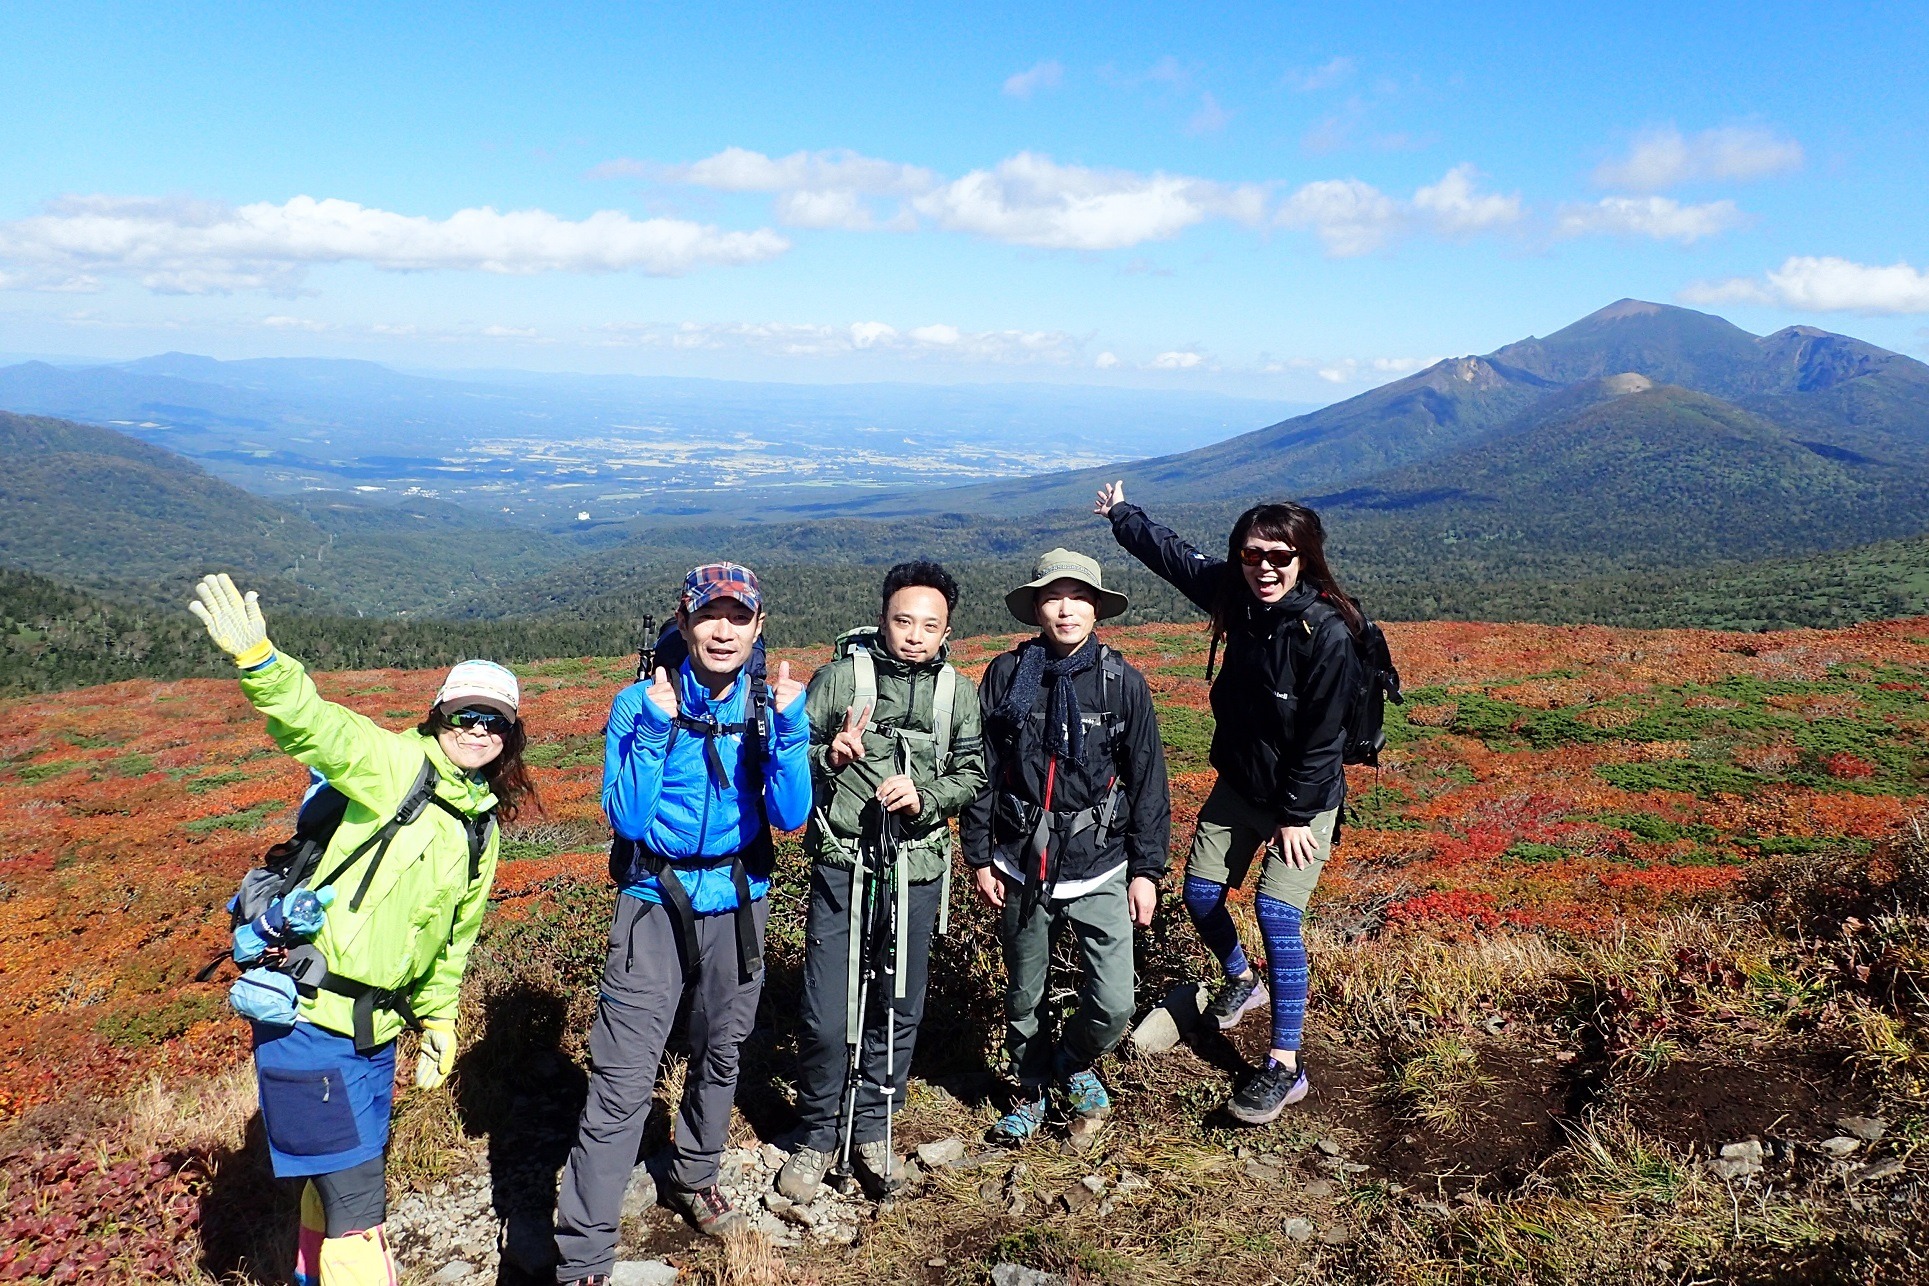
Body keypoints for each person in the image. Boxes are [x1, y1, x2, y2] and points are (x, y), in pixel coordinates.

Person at [187, 573, 527, 1286]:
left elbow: (454, 937)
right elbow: (312, 723)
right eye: (466, 713)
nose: (478, 730)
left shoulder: (479, 822)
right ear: (438, 713)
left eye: (494, 720)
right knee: (358, 1211)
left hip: (376, 1032)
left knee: (331, 1195)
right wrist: (260, 662)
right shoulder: (392, 763)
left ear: (510, 734)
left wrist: (438, 1020)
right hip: (310, 1019)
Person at [554, 562, 809, 1280]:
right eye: (708, 615)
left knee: (722, 1049)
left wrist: (790, 730)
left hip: (737, 895)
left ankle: (694, 1175)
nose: (722, 628)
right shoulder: (636, 702)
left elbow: (789, 817)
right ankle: (583, 1262)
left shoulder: (772, 704)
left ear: (759, 626)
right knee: (622, 1080)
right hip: (650, 899)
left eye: (738, 615)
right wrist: (658, 732)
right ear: (684, 621)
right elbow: (628, 818)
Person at [1098, 480, 1361, 1124]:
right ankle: (1241, 979)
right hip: (1241, 784)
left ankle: (1284, 1067)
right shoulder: (1234, 596)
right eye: (1252, 554)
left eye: (1279, 556)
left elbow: (1326, 736)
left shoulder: (1328, 633)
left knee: (1276, 912)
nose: (1264, 567)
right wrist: (1123, 517)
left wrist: (1296, 815)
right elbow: (1175, 558)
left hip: (1303, 798)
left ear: (1305, 560)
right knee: (1200, 895)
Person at [777, 561, 987, 1201]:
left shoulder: (958, 692)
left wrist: (924, 795)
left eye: (930, 624)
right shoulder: (842, 678)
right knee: (824, 1007)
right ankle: (815, 1135)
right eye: (904, 620)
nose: (915, 635)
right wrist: (827, 756)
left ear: (947, 629)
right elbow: (789, 752)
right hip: (844, 864)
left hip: (916, 869)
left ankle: (872, 1127)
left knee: (899, 1002)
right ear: (883, 618)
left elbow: (973, 771)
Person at [960, 549, 1170, 1143]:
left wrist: (1146, 870)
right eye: (1054, 596)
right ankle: (1030, 1087)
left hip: (1101, 864)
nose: (1066, 608)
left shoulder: (1123, 683)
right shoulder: (1007, 675)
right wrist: (978, 855)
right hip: (1020, 861)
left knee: (1115, 1003)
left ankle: (1070, 1062)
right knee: (1024, 993)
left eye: (1079, 597)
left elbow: (1148, 780)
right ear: (1036, 608)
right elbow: (984, 769)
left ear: (1096, 608)